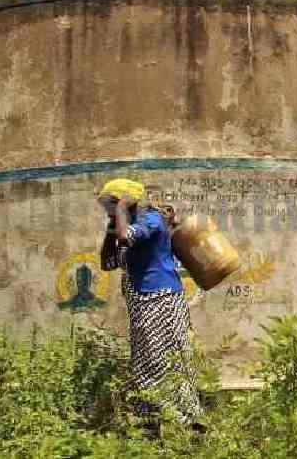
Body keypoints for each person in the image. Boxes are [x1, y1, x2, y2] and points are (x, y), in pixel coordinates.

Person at [97, 178, 203, 427]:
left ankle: (188, 422)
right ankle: (151, 423)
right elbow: (107, 262)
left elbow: (126, 238)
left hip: (161, 301)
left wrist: (121, 211)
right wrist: (110, 228)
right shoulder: (125, 225)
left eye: (111, 204)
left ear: (127, 201)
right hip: (142, 306)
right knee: (145, 364)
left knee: (163, 361)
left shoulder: (151, 221)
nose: (108, 211)